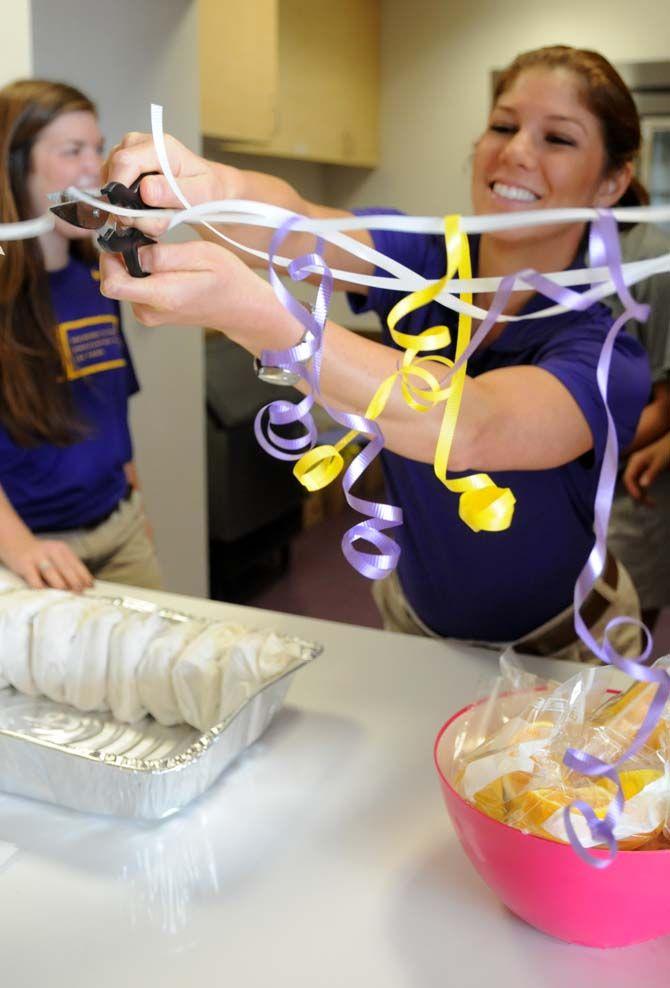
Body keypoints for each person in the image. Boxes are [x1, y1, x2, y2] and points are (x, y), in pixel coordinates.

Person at [98, 45, 654, 660]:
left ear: (612, 181)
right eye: (503, 125)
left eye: (558, 139)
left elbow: (471, 427)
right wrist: (201, 185)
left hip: (565, 651)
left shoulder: (607, 353)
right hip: (416, 628)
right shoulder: (422, 258)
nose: (517, 150)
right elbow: (300, 225)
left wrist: (260, 319)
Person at [0, 79, 161, 591]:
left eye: (98, 147)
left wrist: (134, 508)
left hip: (121, 530)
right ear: (16, 165)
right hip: (31, 553)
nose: (96, 167)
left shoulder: (101, 278)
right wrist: (21, 548)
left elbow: (112, 407)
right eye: (73, 151)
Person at [604, 221, 670, 631]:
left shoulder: (650, 260)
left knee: (616, 650)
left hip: (626, 493)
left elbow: (666, 406)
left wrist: (562, 449)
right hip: (550, 491)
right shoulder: (547, 250)